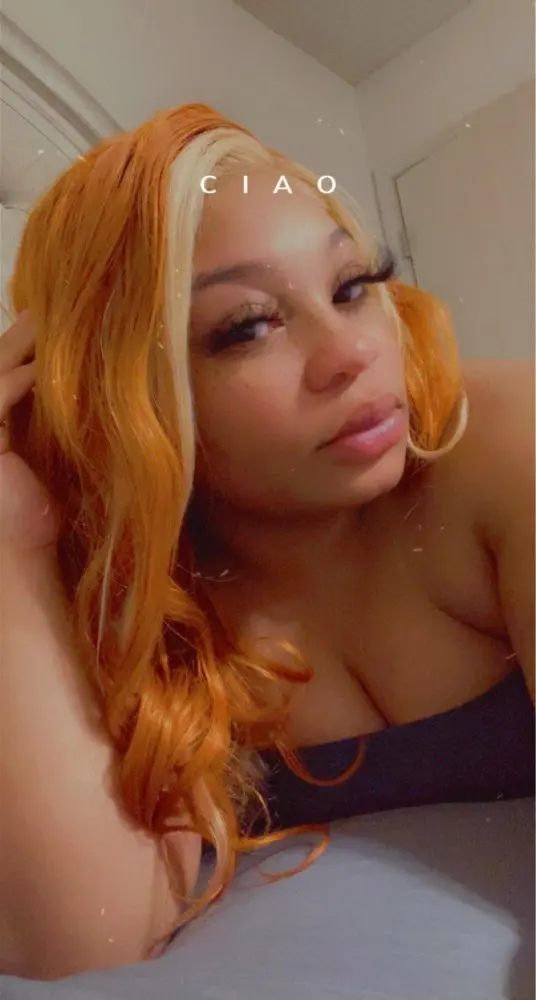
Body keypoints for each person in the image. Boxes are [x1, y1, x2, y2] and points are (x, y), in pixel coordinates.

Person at [0, 102, 533, 981]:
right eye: (247, 325)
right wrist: (13, 542)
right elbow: (84, 945)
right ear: (122, 397)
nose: (350, 352)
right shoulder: (132, 610)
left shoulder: (502, 443)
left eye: (353, 284)